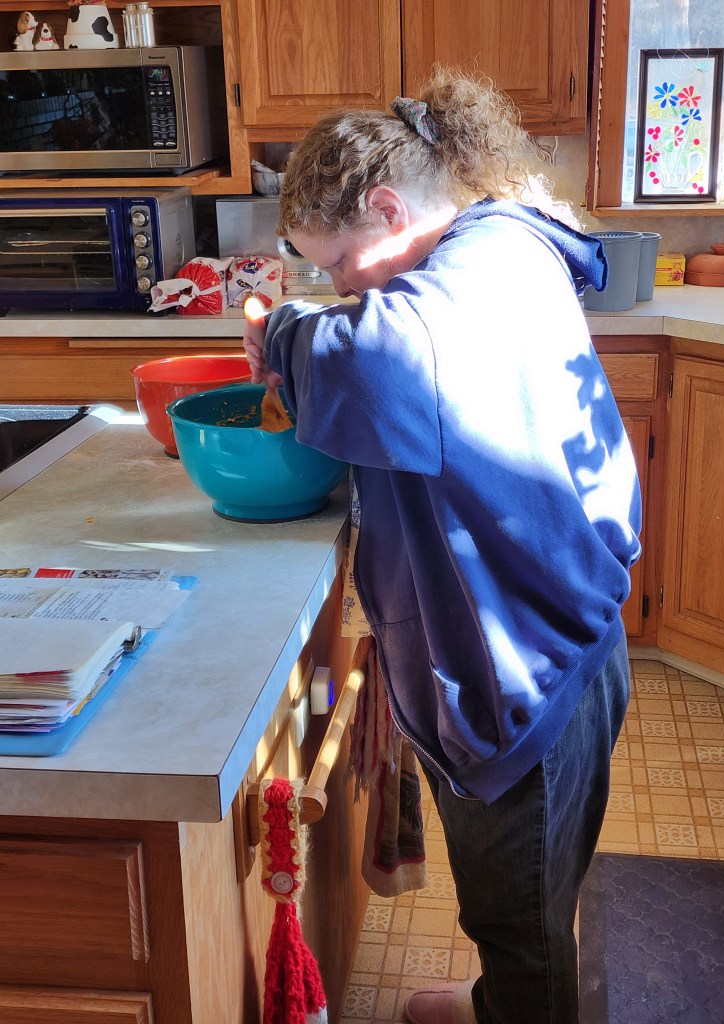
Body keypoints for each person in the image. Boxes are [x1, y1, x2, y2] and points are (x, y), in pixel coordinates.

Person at [243, 67, 642, 1024]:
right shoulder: (502, 241)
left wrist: (283, 331)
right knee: (533, 900)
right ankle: (500, 998)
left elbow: (372, 359)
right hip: (569, 635)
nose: (340, 289)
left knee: (521, 925)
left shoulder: (440, 312)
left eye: (339, 263)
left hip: (526, 678)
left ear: (389, 211)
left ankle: (518, 1002)